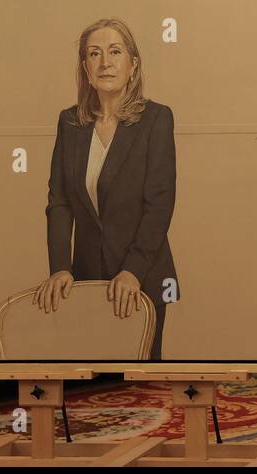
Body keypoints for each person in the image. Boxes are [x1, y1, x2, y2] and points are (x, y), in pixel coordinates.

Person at [34, 18, 178, 361]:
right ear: (85, 68)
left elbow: (159, 205)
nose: (105, 62)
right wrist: (59, 267)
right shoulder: (70, 123)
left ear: (133, 64)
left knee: (140, 395)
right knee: (94, 394)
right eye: (94, 54)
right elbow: (60, 203)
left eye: (115, 52)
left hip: (141, 278)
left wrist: (132, 271)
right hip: (86, 281)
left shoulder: (157, 120)